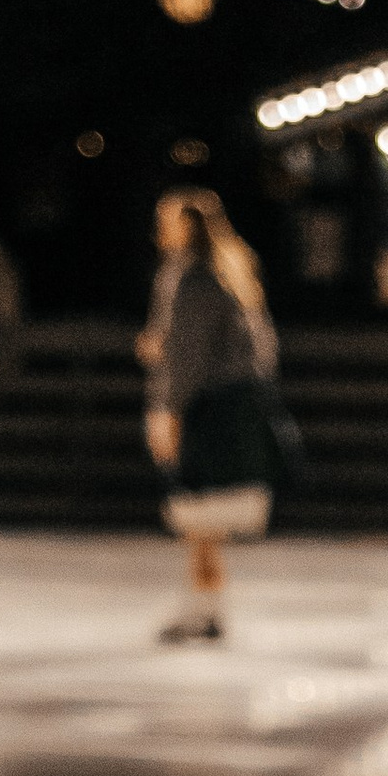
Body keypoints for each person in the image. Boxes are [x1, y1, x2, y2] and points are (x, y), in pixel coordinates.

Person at [142, 189, 283, 647]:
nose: (159, 231)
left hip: (209, 408)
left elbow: (188, 356)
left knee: (200, 518)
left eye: (167, 221)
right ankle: (204, 607)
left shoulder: (195, 279)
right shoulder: (228, 272)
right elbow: (260, 349)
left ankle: (203, 610)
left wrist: (167, 410)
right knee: (204, 522)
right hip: (229, 403)